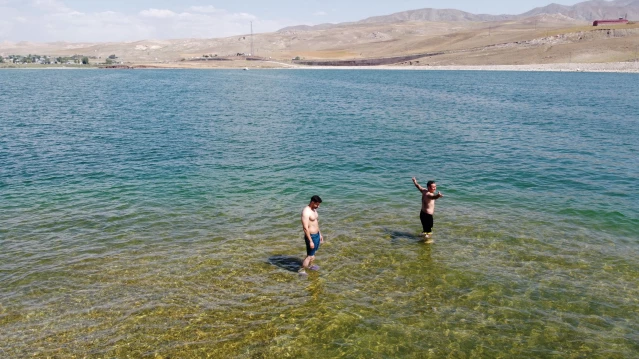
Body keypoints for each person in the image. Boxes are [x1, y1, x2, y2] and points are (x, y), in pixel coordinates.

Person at [412, 177, 443, 242]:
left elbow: (418, 186)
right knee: (429, 231)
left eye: (435, 187)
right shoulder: (429, 194)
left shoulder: (424, 191)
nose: (435, 188)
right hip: (428, 216)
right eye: (433, 187)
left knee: (425, 229)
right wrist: (438, 196)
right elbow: (433, 197)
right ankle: (427, 243)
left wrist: (415, 181)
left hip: (422, 214)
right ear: (428, 187)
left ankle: (422, 236)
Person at [299, 195, 323, 275]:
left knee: (313, 254)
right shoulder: (306, 212)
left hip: (316, 235)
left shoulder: (314, 210)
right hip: (311, 236)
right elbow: (305, 228)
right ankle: (302, 270)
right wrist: (310, 241)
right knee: (309, 256)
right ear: (312, 202)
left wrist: (320, 234)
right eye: (317, 204)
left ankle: (310, 266)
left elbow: (316, 223)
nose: (318, 206)